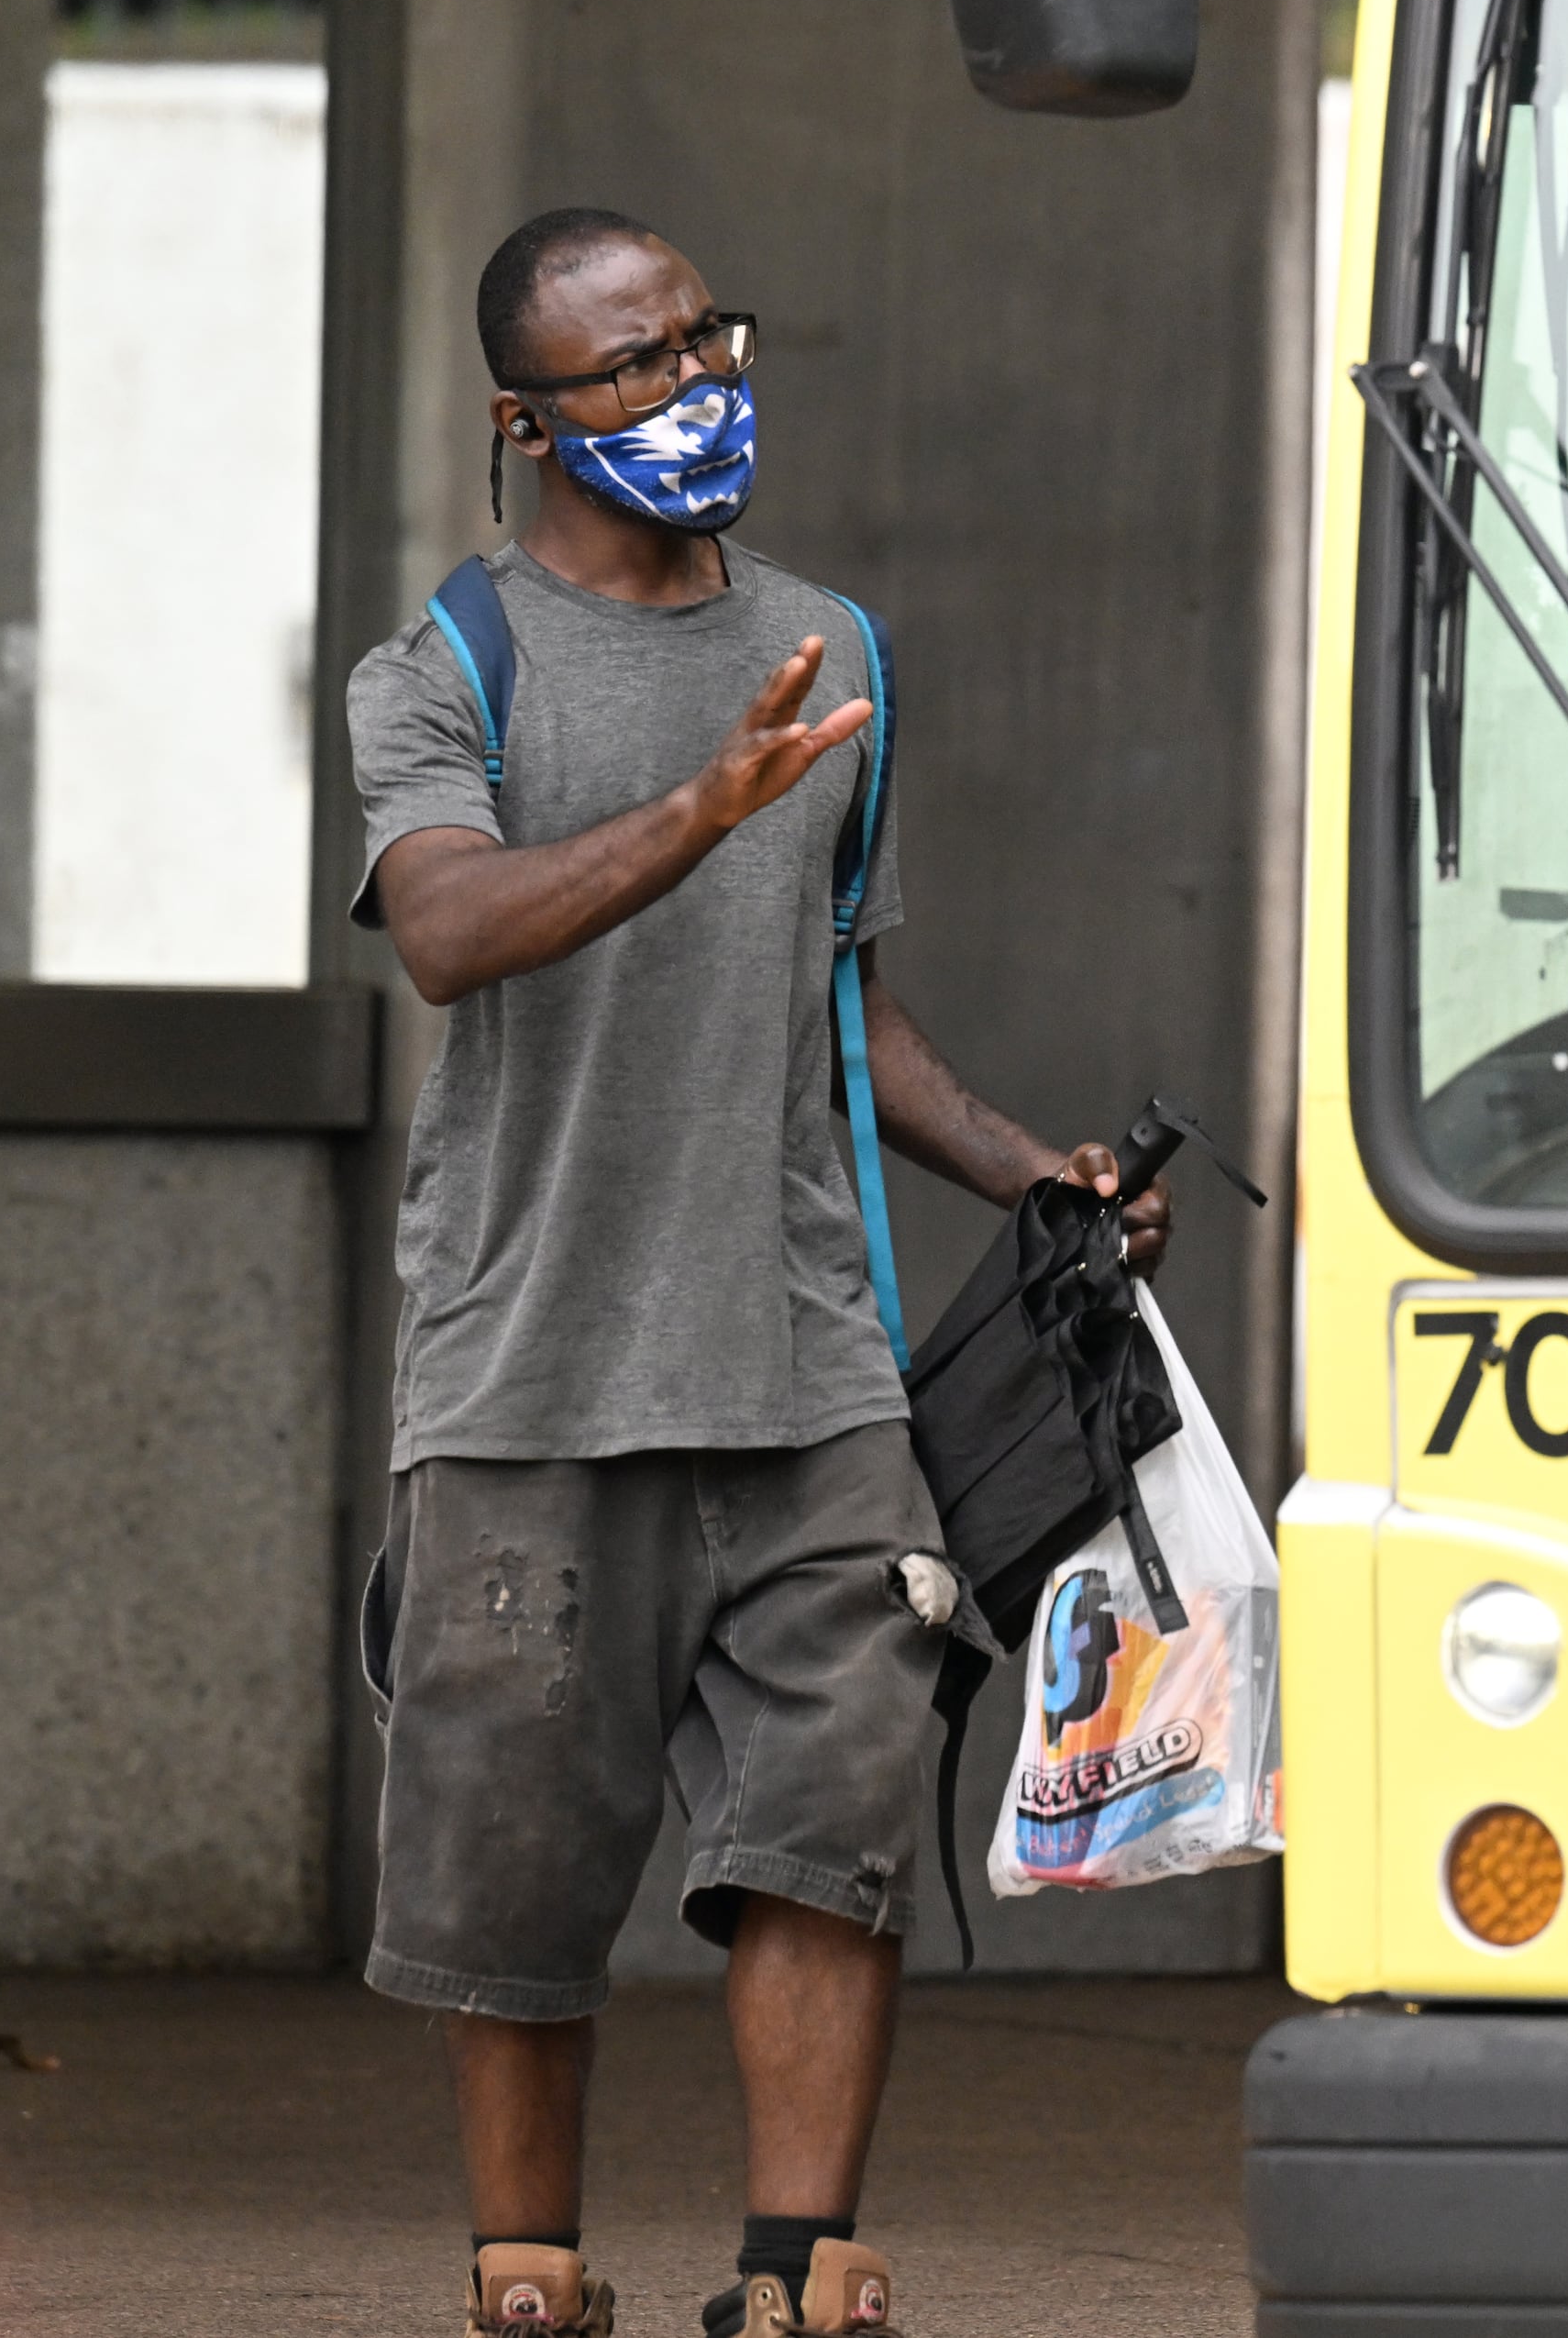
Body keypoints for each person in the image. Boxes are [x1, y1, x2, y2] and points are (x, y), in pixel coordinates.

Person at [349, 206, 1171, 2338]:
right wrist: (692, 816)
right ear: (529, 417)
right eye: (631, 364)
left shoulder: (840, 650)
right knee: (515, 1864)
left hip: (807, 1368)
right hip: (530, 1371)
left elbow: (848, 1012)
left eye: (703, 334)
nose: (693, 381)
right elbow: (444, 931)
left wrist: (1031, 1173)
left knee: (837, 1811)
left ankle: (800, 2272)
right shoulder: (448, 665)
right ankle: (528, 2269)